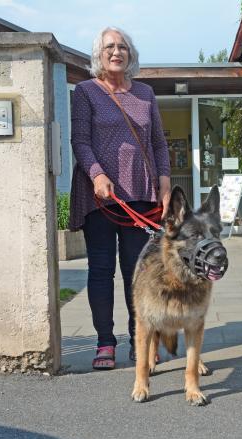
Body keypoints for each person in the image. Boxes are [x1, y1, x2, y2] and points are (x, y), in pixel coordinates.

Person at [69, 26, 171, 370]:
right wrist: (97, 174)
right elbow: (80, 140)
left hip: (140, 193)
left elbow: (158, 143)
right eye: (110, 47)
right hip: (99, 196)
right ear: (99, 55)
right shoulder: (85, 91)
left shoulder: (145, 93)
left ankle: (139, 338)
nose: (117, 52)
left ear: (131, 54)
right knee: (101, 269)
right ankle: (105, 342)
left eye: (123, 47)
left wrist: (165, 183)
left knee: (137, 271)